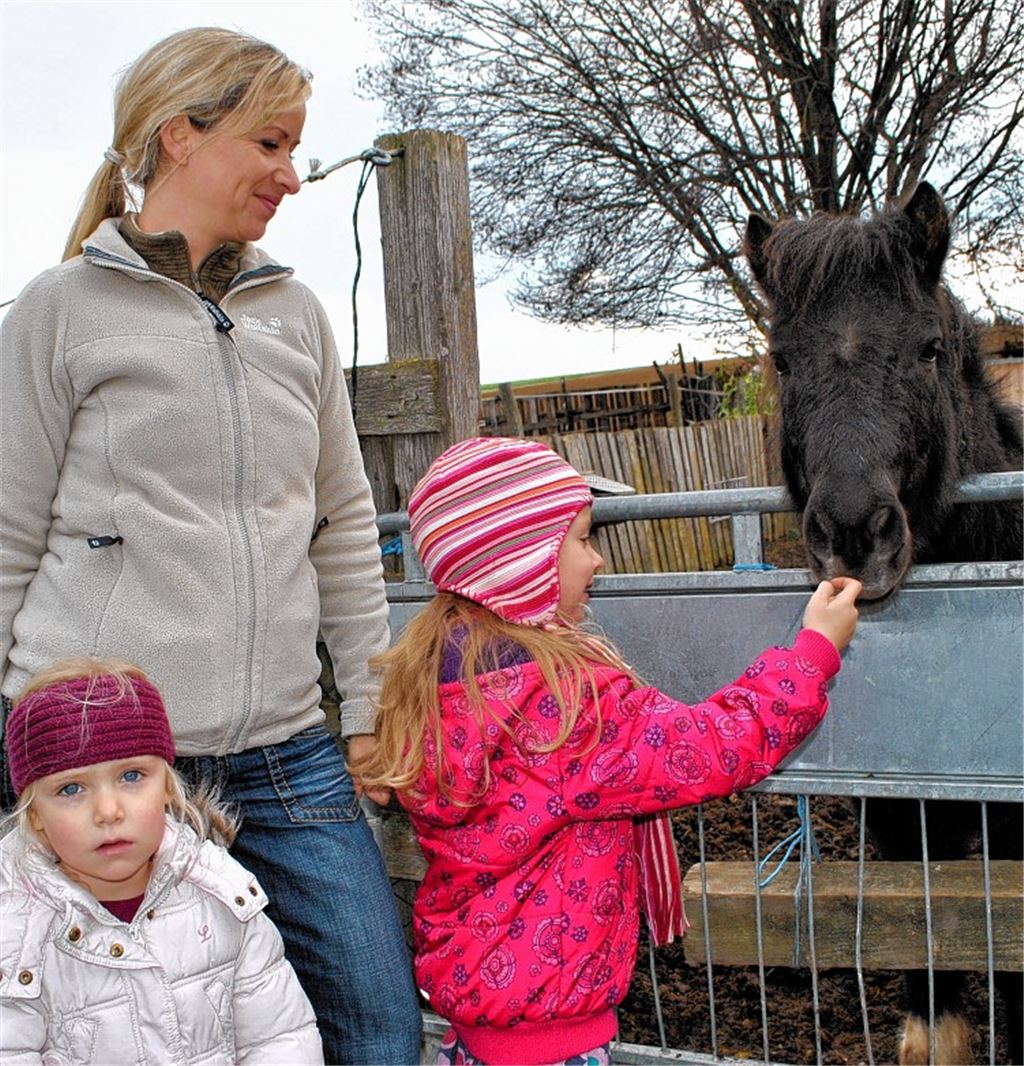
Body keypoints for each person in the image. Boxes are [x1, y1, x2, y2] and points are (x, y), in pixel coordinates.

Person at [0, 27, 421, 1064]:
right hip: (103, 761)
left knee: (379, 1026)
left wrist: (366, 709)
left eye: (295, 148)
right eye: (270, 144)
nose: (290, 174)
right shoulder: (58, 312)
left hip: (286, 751)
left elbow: (342, 531)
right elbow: (7, 530)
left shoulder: (296, 316)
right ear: (180, 134)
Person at [350, 436, 862, 1066]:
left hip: (477, 1030)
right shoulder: (569, 707)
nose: (596, 561)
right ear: (524, 562)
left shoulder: (431, 684)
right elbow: (708, 746)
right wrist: (813, 652)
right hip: (554, 1042)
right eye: (583, 539)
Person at [0, 657, 324, 1064]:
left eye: (131, 776)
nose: (108, 810)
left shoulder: (224, 896)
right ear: (35, 816)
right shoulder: (15, 932)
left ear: (169, 789)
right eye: (70, 789)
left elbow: (280, 1039)